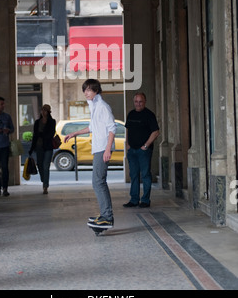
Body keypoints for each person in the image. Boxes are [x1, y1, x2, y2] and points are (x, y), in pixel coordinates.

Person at [64, 79, 116, 229]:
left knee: (98, 182)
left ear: (96, 91)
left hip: (102, 149)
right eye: (84, 90)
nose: (85, 93)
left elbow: (112, 128)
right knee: (98, 182)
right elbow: (91, 128)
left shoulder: (102, 107)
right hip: (98, 148)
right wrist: (74, 133)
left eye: (88, 90)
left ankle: (107, 216)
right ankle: (105, 215)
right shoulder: (94, 106)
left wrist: (107, 149)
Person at [123, 92, 159, 208]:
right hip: (132, 150)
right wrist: (127, 144)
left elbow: (156, 132)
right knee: (133, 175)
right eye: (136, 102)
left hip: (143, 151)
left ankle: (145, 200)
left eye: (140, 101)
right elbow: (128, 129)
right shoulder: (131, 114)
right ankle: (134, 200)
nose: (138, 104)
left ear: (145, 102)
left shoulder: (149, 115)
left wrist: (146, 145)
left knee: (145, 175)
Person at [29, 104, 56, 194]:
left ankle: (45, 186)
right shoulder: (37, 122)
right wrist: (32, 148)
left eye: (45, 110)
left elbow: (51, 134)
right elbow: (35, 135)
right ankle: (43, 179)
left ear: (48, 112)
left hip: (48, 147)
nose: (43, 112)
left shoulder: (52, 122)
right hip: (39, 146)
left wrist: (42, 134)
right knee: (40, 165)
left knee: (46, 165)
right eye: (42, 110)